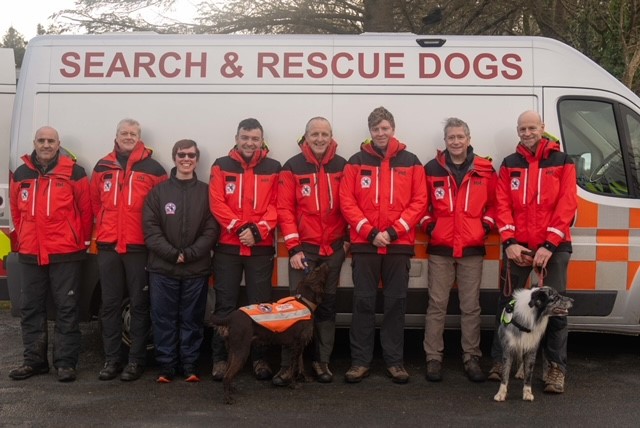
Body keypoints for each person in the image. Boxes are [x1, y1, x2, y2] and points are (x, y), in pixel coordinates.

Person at [489, 110, 577, 394]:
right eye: (522, 129)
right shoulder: (510, 164)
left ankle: (554, 369)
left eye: (531, 128)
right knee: (507, 306)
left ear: (543, 127)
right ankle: (501, 361)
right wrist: (509, 242)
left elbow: (567, 204)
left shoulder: (562, 161)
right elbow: (501, 205)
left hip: (554, 247)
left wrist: (549, 244)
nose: (526, 133)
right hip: (518, 248)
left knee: (555, 309)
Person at [339, 106, 427, 384]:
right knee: (362, 303)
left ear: (393, 129)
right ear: (370, 131)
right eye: (376, 129)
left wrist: (392, 231)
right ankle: (360, 362)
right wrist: (370, 232)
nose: (380, 133)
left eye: (385, 128)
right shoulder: (355, 161)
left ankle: (394, 362)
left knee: (395, 305)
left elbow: (419, 201)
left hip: (397, 245)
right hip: (365, 245)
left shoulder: (411, 161)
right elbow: (347, 201)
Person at [8, 126, 93, 382]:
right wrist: (22, 238)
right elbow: (15, 208)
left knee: (66, 309)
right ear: (34, 142)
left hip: (65, 252)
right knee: (31, 308)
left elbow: (86, 210)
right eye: (41, 140)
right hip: (30, 252)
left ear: (59, 144)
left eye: (51, 141)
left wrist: (81, 241)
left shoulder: (74, 172)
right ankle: (33, 362)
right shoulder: (21, 173)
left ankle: (66, 363)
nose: (46, 145)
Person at [90, 118, 167, 382]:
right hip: (109, 246)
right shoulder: (102, 166)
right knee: (109, 305)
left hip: (139, 247)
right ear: (116, 135)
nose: (128, 136)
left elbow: (161, 209)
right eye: (124, 132)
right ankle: (112, 360)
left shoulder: (154, 169)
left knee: (139, 304)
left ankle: (135, 361)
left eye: (133, 133)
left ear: (139, 137)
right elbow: (92, 203)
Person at [421, 118, 497, 383]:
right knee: (437, 305)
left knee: (470, 306)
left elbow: (496, 205)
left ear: (468, 138)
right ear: (445, 141)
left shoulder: (485, 169)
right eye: (450, 137)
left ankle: (471, 357)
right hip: (440, 248)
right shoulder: (431, 168)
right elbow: (422, 205)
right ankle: (433, 358)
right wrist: (431, 226)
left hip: (472, 247)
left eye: (459, 137)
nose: (455, 142)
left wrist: (484, 227)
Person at [273, 117, 348, 385]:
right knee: (296, 308)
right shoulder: (292, 167)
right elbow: (285, 209)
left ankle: (321, 362)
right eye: (314, 134)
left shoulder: (343, 166)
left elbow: (349, 204)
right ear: (305, 137)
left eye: (324, 134)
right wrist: (293, 248)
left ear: (331, 136)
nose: (319, 138)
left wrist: (348, 239)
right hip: (304, 251)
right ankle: (288, 366)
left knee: (326, 307)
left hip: (334, 251)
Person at [209, 118, 281, 381]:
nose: (249, 142)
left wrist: (259, 231)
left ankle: (260, 359)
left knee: (261, 306)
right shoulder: (221, 165)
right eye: (245, 137)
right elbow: (217, 202)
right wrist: (240, 228)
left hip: (260, 249)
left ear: (262, 141)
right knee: (224, 304)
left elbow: (277, 205)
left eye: (254, 138)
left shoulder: (274, 167)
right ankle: (220, 358)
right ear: (237, 138)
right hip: (228, 247)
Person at [143, 139, 219, 383]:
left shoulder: (207, 192)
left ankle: (189, 365)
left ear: (197, 160)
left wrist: (190, 253)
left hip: (196, 269)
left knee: (192, 319)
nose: (186, 159)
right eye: (181, 155)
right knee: (163, 319)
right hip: (163, 268)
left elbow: (211, 229)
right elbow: (151, 229)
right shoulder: (158, 192)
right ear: (174, 157)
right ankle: (166, 367)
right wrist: (173, 253)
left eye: (191, 155)